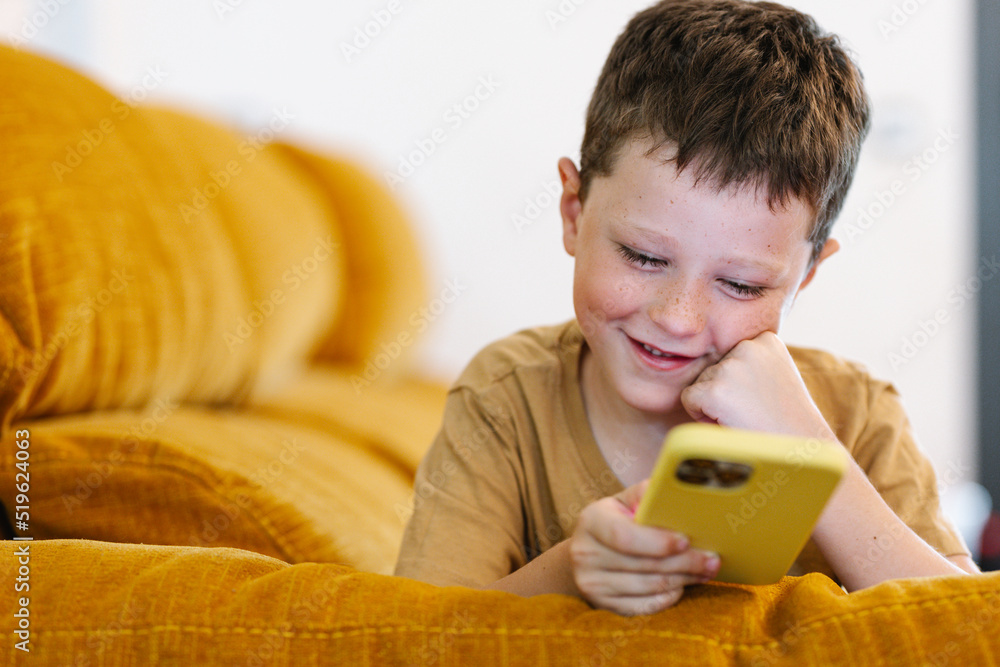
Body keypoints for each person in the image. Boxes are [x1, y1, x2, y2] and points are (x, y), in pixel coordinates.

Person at [395, 0, 979, 616]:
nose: (678, 318)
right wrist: (573, 571)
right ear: (573, 212)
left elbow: (971, 628)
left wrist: (808, 448)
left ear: (806, 276)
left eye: (743, 285)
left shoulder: (857, 414)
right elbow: (415, 634)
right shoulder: (508, 398)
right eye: (644, 256)